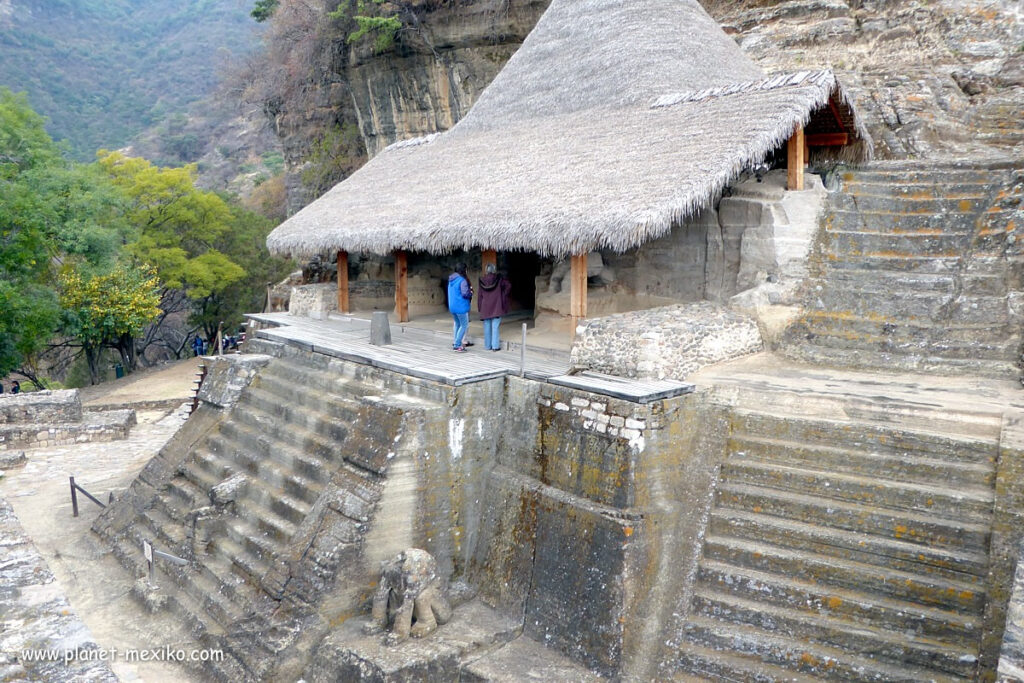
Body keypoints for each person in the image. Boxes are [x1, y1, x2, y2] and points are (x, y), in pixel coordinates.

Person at [478, 264, 511, 351]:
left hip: (485, 307)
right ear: (494, 270)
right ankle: (495, 347)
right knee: (495, 327)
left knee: (487, 327)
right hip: (497, 306)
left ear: (486, 270)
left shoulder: (482, 280)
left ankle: (487, 346)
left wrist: (479, 307)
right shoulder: (499, 279)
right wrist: (503, 294)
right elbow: (508, 286)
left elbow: (480, 296)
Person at [447, 263, 473, 352]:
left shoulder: (451, 280)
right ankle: (457, 345)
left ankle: (455, 342)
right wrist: (471, 292)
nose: (467, 271)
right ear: (463, 270)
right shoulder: (462, 280)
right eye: (466, 269)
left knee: (458, 324)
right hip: (460, 307)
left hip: (452, 307)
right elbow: (465, 293)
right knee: (464, 325)